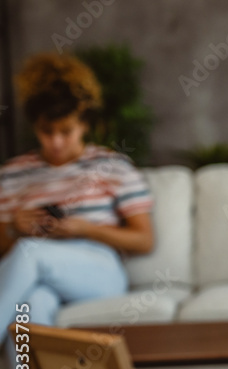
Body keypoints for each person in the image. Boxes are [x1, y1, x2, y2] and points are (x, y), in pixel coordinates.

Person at [0, 53, 154, 340]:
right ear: (34, 126)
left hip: (99, 268)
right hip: (34, 271)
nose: (56, 141)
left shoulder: (112, 166)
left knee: (29, 251)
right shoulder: (12, 175)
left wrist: (86, 229)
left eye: (66, 131)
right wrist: (14, 228)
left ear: (85, 124)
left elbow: (144, 240)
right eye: (47, 131)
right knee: (30, 306)